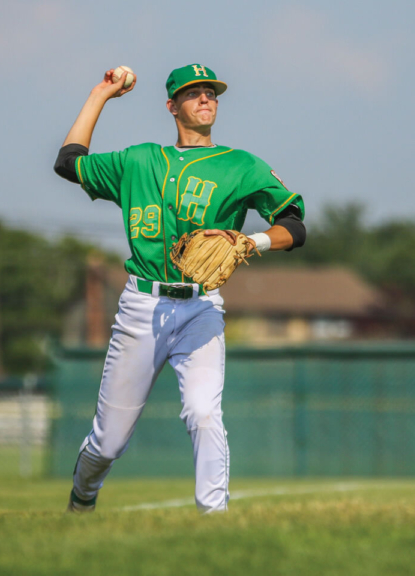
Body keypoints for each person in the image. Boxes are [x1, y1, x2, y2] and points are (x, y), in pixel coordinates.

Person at [54, 63, 306, 513]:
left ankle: (214, 520)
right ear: (172, 106)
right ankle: (82, 497)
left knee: (204, 412)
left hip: (201, 308)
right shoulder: (139, 160)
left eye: (211, 92)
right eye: (193, 93)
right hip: (141, 308)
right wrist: (100, 94)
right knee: (108, 442)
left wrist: (253, 240)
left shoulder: (241, 165)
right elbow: (68, 164)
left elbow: (294, 225)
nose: (206, 98)